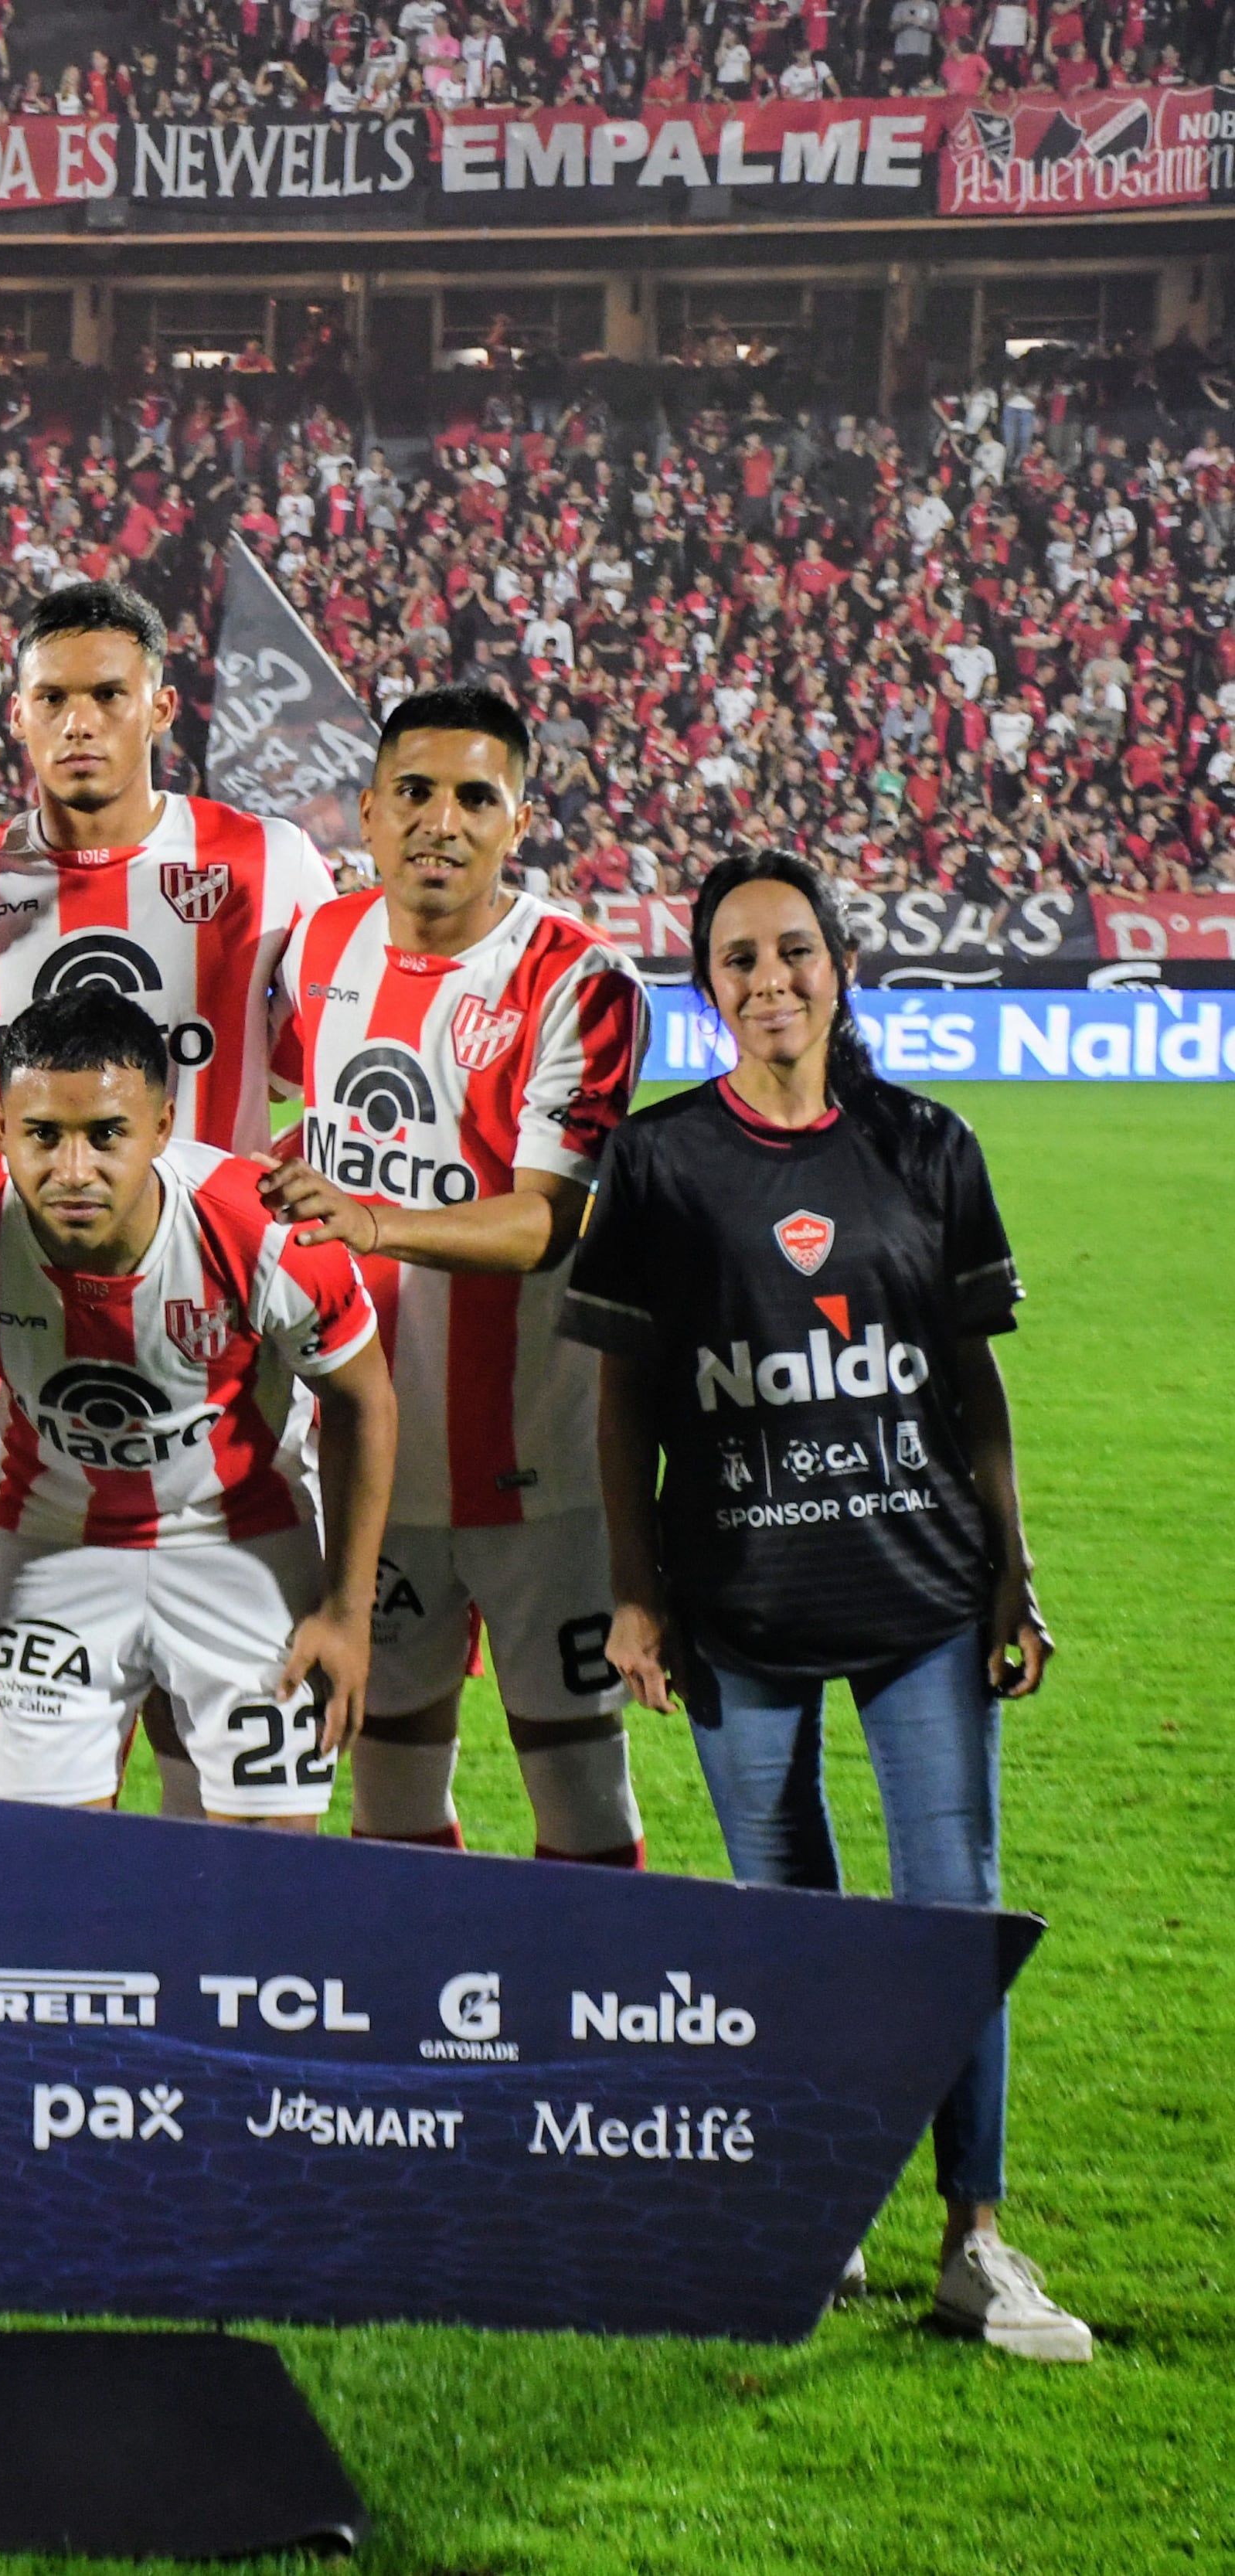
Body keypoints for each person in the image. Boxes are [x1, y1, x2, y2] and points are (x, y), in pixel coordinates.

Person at [563, 849, 1085, 2362]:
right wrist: (635, 1596)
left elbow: (969, 1377)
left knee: (950, 1915)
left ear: (838, 965)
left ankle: (976, 2238)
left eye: (793, 950)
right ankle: (815, 2207)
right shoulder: (657, 1162)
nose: (768, 978)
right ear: (706, 982)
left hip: (922, 1586)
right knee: (785, 1924)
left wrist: (1015, 1567)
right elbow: (623, 1403)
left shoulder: (925, 1143)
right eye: (737, 957)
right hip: (733, 1598)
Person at [0, 578, 336, 1814]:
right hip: (16, 1381)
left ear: (162, 702)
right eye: (54, 698)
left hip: (229, 1362)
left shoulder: (269, 864)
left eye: (108, 694)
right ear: (16, 715)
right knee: (42, 1758)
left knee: (222, 1741)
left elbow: (339, 1068)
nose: (82, 721)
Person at [259, 683, 652, 1863]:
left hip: (540, 1471)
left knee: (583, 1806)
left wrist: (371, 1224)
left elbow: (545, 1222)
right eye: (415, 793)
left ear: (517, 820)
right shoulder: (322, 944)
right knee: (387, 1800)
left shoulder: (580, 980)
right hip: (369, 1462)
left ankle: (588, 2032)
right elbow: (300, 1114)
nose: (442, 819)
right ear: (368, 812)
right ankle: (415, 2033)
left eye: (476, 795)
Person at [0, 985, 394, 1829]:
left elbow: (361, 1401)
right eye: (41, 1136)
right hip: (52, 1550)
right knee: (44, 1862)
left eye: (106, 1135)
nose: (73, 1171)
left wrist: (344, 1610)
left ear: (162, 1127)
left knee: (271, 1863)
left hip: (242, 1547)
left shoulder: (264, 1228)